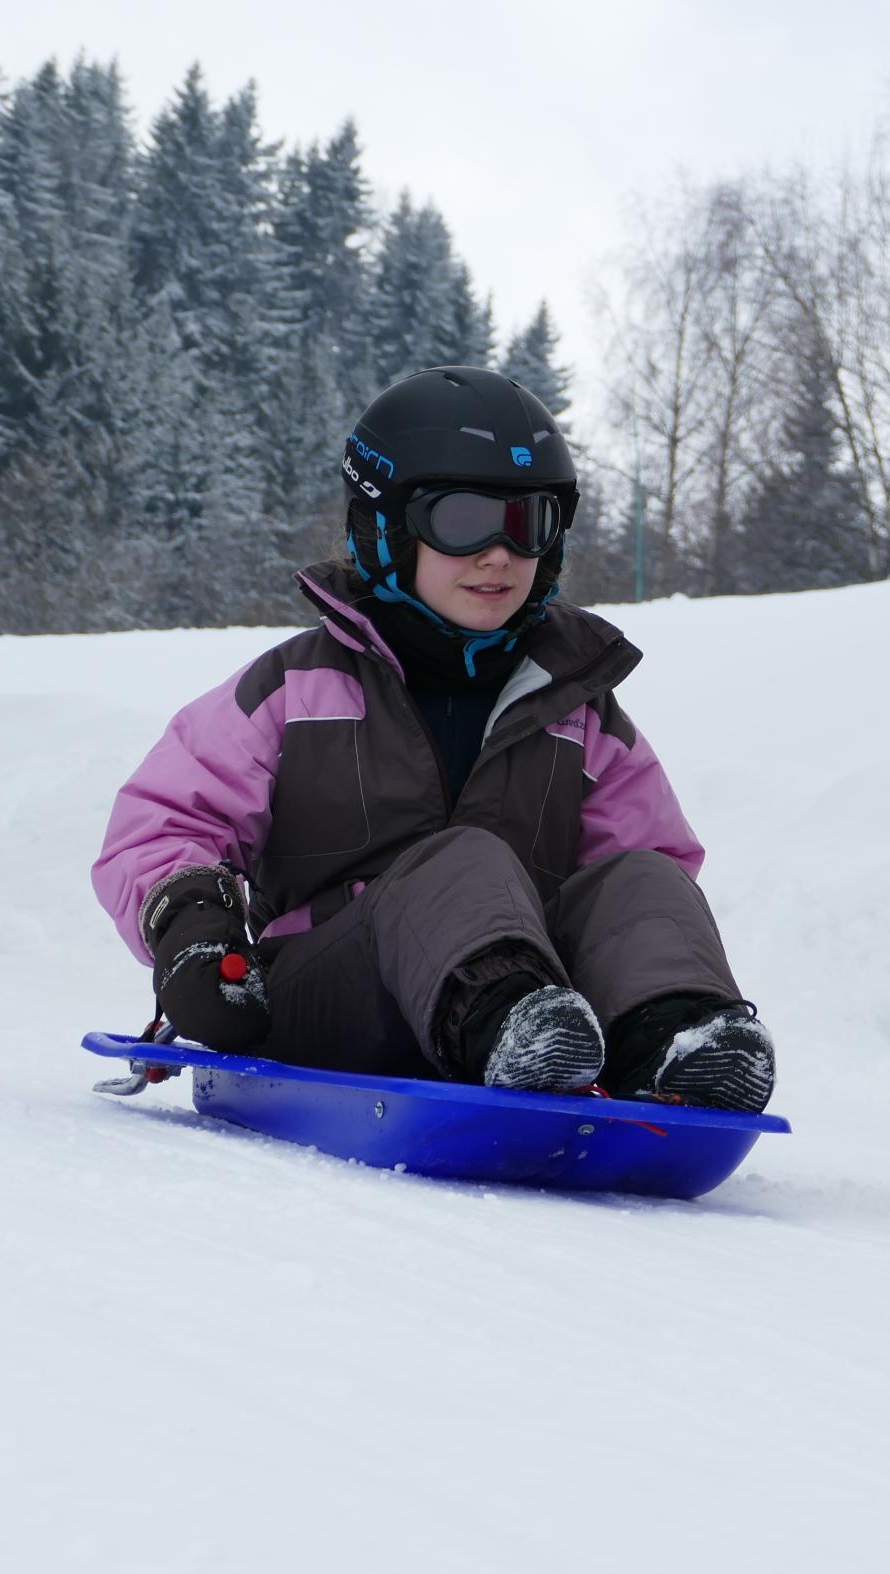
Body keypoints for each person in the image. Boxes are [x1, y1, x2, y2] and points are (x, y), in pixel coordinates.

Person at [91, 366, 773, 1110]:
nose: (500, 554)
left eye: (529, 524)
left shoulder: (577, 709)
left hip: (545, 1010)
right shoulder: (297, 690)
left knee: (644, 877)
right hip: (332, 999)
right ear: (386, 528)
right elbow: (164, 822)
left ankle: (677, 1044)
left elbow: (647, 875)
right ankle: (508, 1025)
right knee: (463, 856)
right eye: (465, 520)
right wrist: (192, 926)